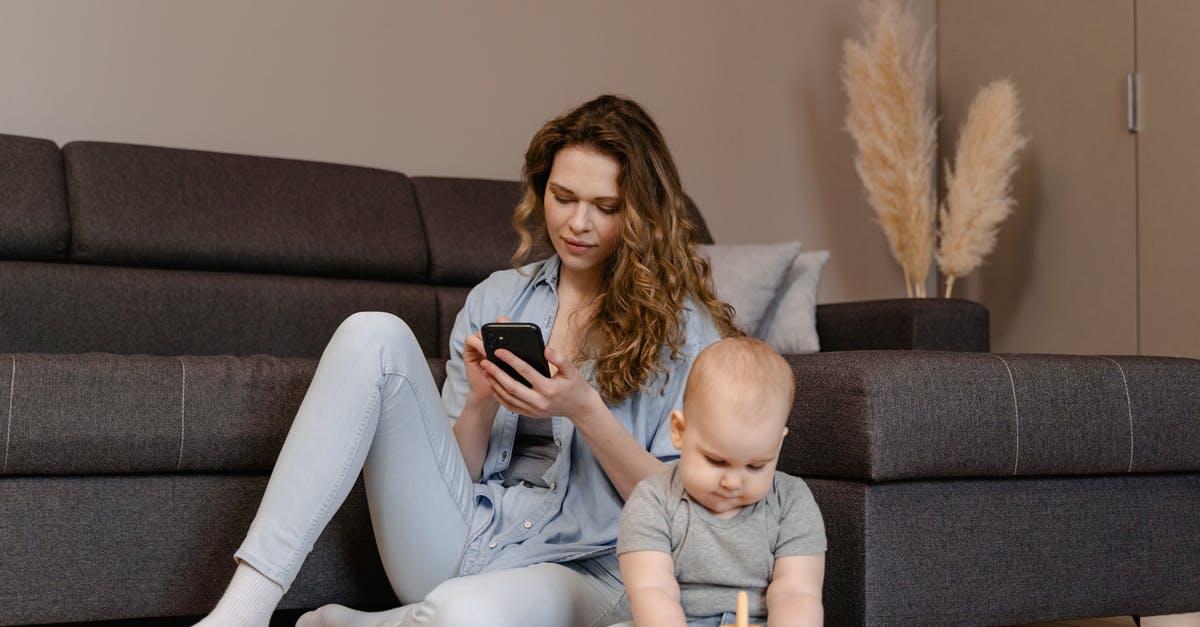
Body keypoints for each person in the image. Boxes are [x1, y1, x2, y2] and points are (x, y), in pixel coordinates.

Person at [195, 94, 740, 627]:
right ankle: (242, 612)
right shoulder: (496, 299)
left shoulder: (687, 330)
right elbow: (454, 476)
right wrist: (479, 404)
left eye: (605, 207)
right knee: (372, 334)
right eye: (562, 196)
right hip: (470, 537)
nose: (577, 223)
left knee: (461, 615)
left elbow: (689, 516)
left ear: (644, 213)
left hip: (591, 568)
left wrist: (585, 411)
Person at [616, 337, 826, 627]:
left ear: (777, 446)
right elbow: (653, 590)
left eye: (755, 466)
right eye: (716, 461)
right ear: (680, 431)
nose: (732, 482)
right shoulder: (652, 500)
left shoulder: (792, 501)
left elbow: (796, 592)